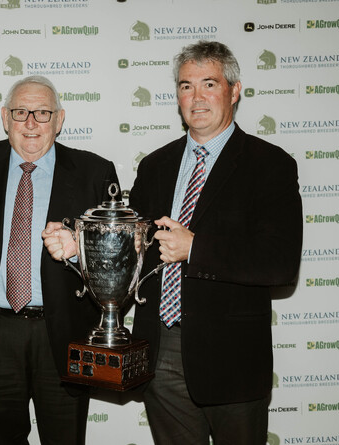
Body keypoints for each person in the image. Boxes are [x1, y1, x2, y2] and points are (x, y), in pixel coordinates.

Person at [44, 41, 303, 444]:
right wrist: (85, 249)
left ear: (234, 91)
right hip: (159, 351)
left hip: (230, 357)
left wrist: (195, 248)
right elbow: (138, 248)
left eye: (209, 84)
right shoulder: (156, 165)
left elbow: (280, 263)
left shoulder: (270, 165)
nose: (196, 97)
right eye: (185, 86)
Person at [0, 75, 119, 445]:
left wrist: (82, 248)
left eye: (43, 113)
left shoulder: (94, 172)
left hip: (65, 335)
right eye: (21, 112)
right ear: (5, 118)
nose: (31, 123)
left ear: (60, 119)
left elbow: (118, 260)